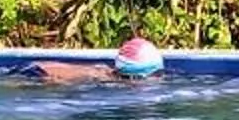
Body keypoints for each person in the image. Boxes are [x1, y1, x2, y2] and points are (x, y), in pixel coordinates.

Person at [21, 37, 168, 84]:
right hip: (36, 74)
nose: (158, 79)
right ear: (135, 76)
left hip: (37, 68)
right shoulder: (101, 78)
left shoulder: (105, 72)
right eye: (155, 75)